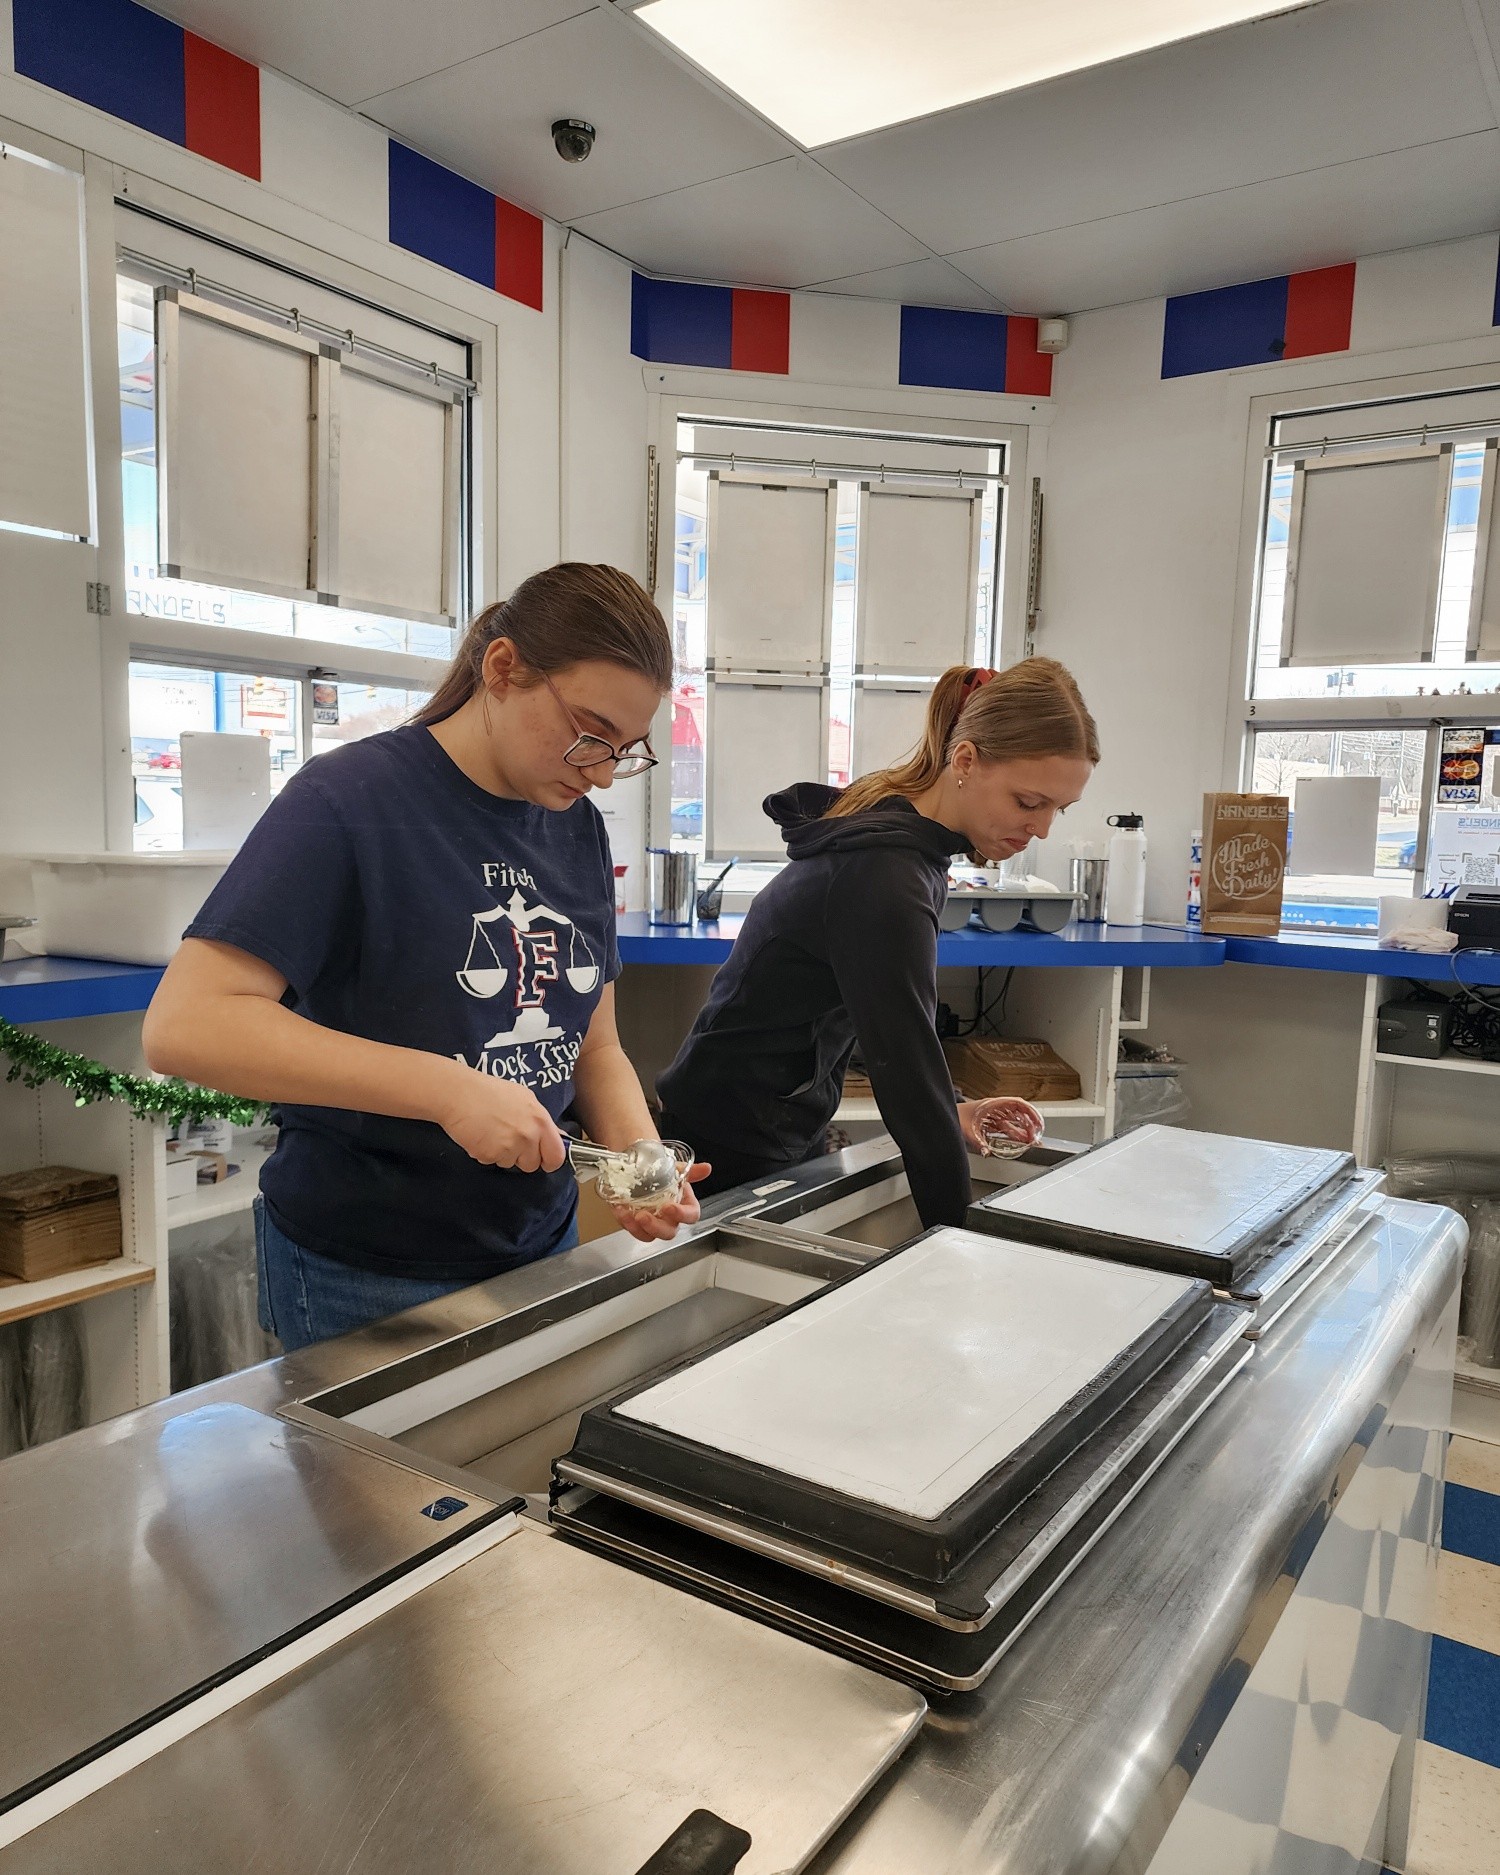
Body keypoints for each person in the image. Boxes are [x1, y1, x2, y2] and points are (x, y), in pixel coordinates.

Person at [143, 564, 704, 1352]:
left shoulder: (575, 824)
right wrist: (446, 1090)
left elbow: (595, 1045)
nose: (604, 770)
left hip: (534, 1245)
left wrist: (641, 1168)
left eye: (625, 747)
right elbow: (186, 1025)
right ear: (502, 669)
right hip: (364, 1266)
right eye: (587, 731)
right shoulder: (347, 801)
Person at [657, 658, 1099, 1229]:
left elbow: (880, 1014)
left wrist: (954, 1105)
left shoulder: (908, 838)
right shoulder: (885, 873)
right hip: (735, 1135)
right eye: (1027, 802)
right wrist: (959, 1239)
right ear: (965, 760)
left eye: (1058, 810)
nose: (1042, 830)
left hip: (770, 1110)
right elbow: (905, 1077)